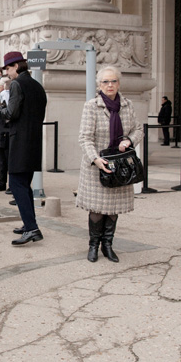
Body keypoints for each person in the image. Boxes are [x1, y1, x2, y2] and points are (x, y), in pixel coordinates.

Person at [76, 66, 142, 262]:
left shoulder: (128, 105)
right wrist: (96, 159)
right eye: (105, 82)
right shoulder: (91, 106)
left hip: (120, 166)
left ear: (119, 83)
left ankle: (108, 245)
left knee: (113, 209)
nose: (110, 85)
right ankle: (93, 245)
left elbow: (138, 130)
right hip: (97, 165)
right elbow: (85, 138)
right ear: (99, 84)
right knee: (97, 209)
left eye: (113, 81)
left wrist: (129, 141)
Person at [0, 51, 48, 245]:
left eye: (9, 68)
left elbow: (11, 112)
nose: (8, 73)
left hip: (20, 141)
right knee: (24, 185)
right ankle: (29, 224)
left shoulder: (17, 84)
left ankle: (32, 228)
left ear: (16, 66)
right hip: (34, 140)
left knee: (17, 185)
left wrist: (1, 108)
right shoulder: (37, 85)